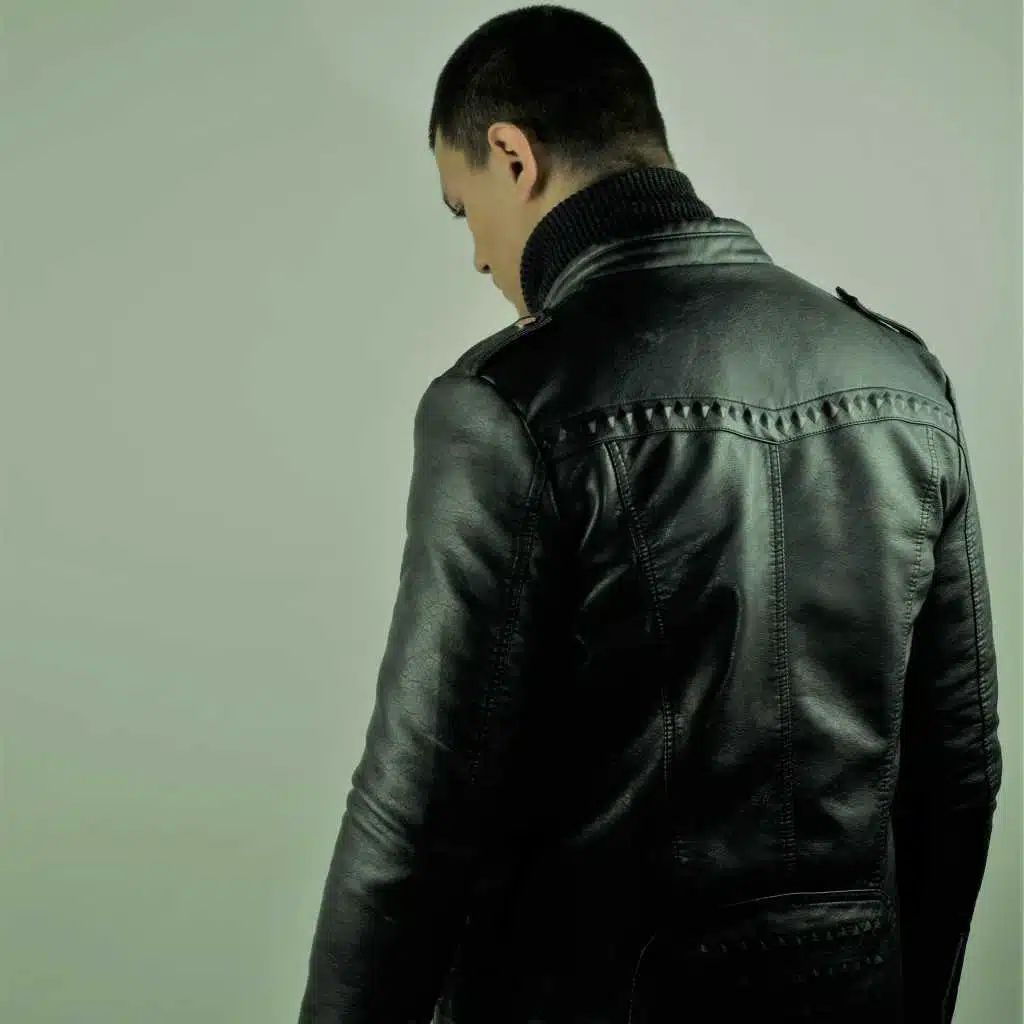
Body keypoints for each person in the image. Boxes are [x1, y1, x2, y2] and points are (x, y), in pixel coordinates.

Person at [297, 6, 1002, 1022]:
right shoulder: (903, 378)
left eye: (463, 210)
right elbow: (957, 772)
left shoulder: (509, 405)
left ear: (513, 156)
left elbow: (415, 820)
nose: (480, 258)